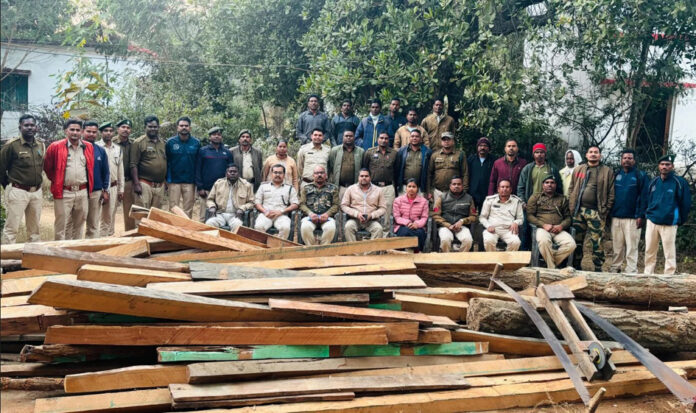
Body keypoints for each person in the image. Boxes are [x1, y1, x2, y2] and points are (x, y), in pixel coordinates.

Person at [43, 118, 94, 240]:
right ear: (66, 131)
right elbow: (48, 168)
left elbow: (90, 168)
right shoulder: (55, 146)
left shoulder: (88, 147)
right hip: (64, 192)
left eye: (77, 130)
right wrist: (58, 181)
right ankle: (60, 250)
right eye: (72, 129)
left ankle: (76, 250)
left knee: (79, 225)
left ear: (81, 131)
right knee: (61, 225)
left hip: (82, 192)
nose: (75, 132)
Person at [568, 145, 615, 272]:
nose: (593, 154)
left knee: (597, 241)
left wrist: (606, 209)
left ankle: (598, 267)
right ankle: (576, 265)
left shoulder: (607, 171)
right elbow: (571, 188)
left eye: (596, 152)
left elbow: (611, 193)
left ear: (600, 155)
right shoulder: (579, 169)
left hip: (597, 212)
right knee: (577, 240)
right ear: (586, 155)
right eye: (591, 152)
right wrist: (572, 205)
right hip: (579, 211)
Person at [0, 114, 45, 244]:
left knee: (34, 231)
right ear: (20, 127)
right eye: (26, 125)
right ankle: (7, 256)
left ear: (36, 128)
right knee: (11, 229)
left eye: (32, 125)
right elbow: (1, 169)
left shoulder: (40, 145)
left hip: (36, 192)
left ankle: (33, 255)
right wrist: (9, 186)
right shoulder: (12, 146)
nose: (29, 128)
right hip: (18, 191)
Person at [644, 154, 692, 274]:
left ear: (672, 166)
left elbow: (685, 203)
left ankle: (669, 277)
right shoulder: (654, 182)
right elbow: (648, 200)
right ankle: (647, 275)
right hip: (652, 221)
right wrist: (648, 214)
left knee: (669, 253)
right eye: (662, 164)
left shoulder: (679, 182)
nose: (664, 167)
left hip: (669, 222)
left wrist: (680, 219)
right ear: (658, 166)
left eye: (667, 164)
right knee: (649, 251)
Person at [609, 149, 649, 273]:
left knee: (632, 247)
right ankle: (615, 268)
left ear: (634, 161)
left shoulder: (640, 175)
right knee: (617, 246)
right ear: (621, 160)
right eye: (625, 158)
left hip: (633, 218)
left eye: (630, 158)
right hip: (616, 216)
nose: (627, 160)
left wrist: (641, 215)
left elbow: (645, 197)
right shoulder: (616, 175)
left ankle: (631, 271)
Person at [517, 143, 562, 250]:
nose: (539, 154)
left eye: (542, 152)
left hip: (547, 205)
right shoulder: (528, 168)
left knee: (543, 230)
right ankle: (525, 253)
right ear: (533, 154)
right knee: (526, 229)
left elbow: (559, 187)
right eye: (537, 152)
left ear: (545, 154)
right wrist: (523, 201)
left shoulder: (552, 168)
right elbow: (520, 187)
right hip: (530, 204)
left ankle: (541, 253)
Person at [527, 175, 576, 269]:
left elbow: (568, 218)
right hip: (542, 229)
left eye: (552, 183)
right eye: (547, 182)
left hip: (558, 229)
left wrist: (561, 226)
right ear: (543, 185)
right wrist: (543, 225)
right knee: (544, 241)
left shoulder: (562, 198)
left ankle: (549, 264)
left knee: (571, 244)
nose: (549, 185)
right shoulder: (535, 197)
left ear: (556, 185)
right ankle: (552, 268)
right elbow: (529, 215)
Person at [195, 127, 234, 221]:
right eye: (214, 135)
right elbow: (197, 169)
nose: (217, 136)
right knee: (204, 215)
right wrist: (200, 187)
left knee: (220, 214)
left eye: (219, 135)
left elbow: (231, 170)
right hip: (206, 190)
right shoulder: (203, 151)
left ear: (221, 137)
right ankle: (202, 230)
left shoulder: (227, 152)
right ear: (210, 137)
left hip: (222, 189)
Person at [130, 115, 167, 215]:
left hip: (160, 186)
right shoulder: (138, 142)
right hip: (144, 184)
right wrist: (136, 184)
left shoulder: (163, 143)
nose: (153, 129)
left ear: (158, 127)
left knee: (156, 216)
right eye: (150, 126)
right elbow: (133, 164)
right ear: (145, 127)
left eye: (155, 127)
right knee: (141, 214)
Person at [166, 116, 200, 218]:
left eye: (186, 125)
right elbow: (166, 161)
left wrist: (197, 181)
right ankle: (172, 228)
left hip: (190, 181)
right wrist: (167, 180)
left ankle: (186, 228)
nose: (184, 127)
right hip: (174, 181)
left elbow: (198, 162)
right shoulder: (170, 142)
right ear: (177, 127)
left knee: (188, 209)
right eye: (181, 125)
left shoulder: (196, 143)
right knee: (173, 208)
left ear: (190, 128)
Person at [432, 176, 477, 252]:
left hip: (461, 226)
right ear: (450, 186)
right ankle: (447, 258)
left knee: (468, 240)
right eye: (454, 184)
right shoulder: (442, 197)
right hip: (445, 226)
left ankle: (460, 258)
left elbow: (473, 216)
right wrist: (448, 225)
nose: (456, 186)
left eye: (459, 184)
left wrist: (462, 221)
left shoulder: (468, 198)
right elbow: (435, 215)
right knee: (445, 240)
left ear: (462, 186)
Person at [254, 164, 299, 239]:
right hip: (266, 214)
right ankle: (263, 245)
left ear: (284, 174)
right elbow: (257, 202)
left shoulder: (290, 188)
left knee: (285, 227)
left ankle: (279, 245)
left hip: (281, 215)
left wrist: (281, 211)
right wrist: (265, 211)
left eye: (280, 173)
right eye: (275, 172)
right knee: (259, 226)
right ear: (271, 174)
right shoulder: (263, 186)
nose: (277, 175)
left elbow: (295, 204)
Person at [205, 164, 254, 231]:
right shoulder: (218, 184)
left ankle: (232, 238)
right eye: (230, 171)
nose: (232, 173)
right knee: (210, 223)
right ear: (226, 173)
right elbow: (210, 200)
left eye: (235, 172)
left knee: (238, 225)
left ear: (238, 174)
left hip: (235, 215)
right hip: (220, 214)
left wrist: (242, 208)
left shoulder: (246, 185)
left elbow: (251, 203)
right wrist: (212, 207)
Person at [341, 168, 387, 241]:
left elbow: (383, 208)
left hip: (371, 221)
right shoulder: (351, 189)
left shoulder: (378, 190)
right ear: (358, 177)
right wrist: (357, 214)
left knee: (379, 229)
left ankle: (370, 249)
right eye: (361, 176)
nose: (364, 178)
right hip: (355, 219)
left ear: (370, 178)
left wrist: (371, 215)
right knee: (348, 227)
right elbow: (344, 205)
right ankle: (353, 248)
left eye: (366, 176)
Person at [82, 120, 110, 239]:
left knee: (93, 224)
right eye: (88, 131)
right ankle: (72, 247)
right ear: (83, 131)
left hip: (95, 192)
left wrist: (105, 190)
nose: (91, 134)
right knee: (75, 223)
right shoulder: (77, 148)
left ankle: (91, 246)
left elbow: (106, 172)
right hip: (80, 191)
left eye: (94, 132)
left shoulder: (100, 151)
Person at [96, 122, 124, 236]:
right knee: (100, 217)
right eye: (105, 131)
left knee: (111, 216)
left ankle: (110, 238)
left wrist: (121, 189)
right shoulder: (96, 147)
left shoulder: (117, 149)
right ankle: (101, 240)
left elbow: (120, 170)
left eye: (110, 131)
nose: (108, 133)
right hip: (100, 188)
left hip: (113, 186)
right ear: (101, 133)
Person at [299, 165, 339, 245]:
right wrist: (310, 213)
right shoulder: (306, 188)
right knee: (305, 227)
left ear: (326, 175)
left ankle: (323, 248)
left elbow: (336, 205)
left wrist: (327, 214)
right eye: (317, 173)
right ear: (313, 175)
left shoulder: (333, 188)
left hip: (327, 218)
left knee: (330, 228)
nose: (319, 175)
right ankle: (311, 248)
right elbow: (301, 204)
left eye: (322, 173)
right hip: (310, 217)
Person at [479, 179, 523, 251]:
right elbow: (482, 217)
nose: (504, 189)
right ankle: (492, 258)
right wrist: (488, 226)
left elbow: (520, 218)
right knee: (489, 240)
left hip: (508, 230)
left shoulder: (516, 201)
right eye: (502, 187)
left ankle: (507, 258)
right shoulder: (490, 200)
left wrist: (516, 222)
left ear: (511, 189)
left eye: (507, 187)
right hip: (493, 229)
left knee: (516, 242)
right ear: (498, 189)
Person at [363, 132, 397, 219]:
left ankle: (386, 228)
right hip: (373, 186)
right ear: (377, 139)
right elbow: (365, 169)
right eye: (381, 138)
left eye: (386, 138)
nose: (383, 140)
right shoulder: (370, 152)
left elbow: (397, 170)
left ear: (388, 140)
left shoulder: (394, 153)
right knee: (372, 211)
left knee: (387, 213)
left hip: (388, 187)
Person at [427, 132, 468, 201]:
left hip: (455, 192)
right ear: (441, 142)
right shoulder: (435, 155)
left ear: (453, 141)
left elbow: (465, 173)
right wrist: (429, 190)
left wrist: (464, 190)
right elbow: (429, 174)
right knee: (437, 208)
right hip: (438, 191)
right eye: (444, 140)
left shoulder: (460, 154)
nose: (446, 141)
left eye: (448, 139)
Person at [392, 178, 429, 252]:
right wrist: (408, 223)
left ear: (417, 189)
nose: (411, 189)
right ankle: (400, 254)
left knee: (419, 234)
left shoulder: (424, 201)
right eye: (409, 186)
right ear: (406, 188)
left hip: (417, 227)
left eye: (414, 187)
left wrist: (416, 224)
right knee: (405, 232)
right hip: (402, 226)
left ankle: (417, 254)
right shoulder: (398, 200)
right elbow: (397, 217)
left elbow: (424, 217)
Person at [327, 129, 364, 201]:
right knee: (339, 206)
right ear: (343, 137)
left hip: (355, 187)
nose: (348, 138)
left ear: (354, 137)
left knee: (354, 206)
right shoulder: (335, 150)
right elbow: (331, 167)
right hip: (340, 187)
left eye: (351, 136)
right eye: (346, 136)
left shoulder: (361, 151)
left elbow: (363, 168)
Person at [395, 129, 432, 195]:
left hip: (420, 187)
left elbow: (430, 171)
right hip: (404, 187)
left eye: (417, 136)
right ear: (409, 138)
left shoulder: (427, 151)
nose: (414, 138)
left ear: (421, 139)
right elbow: (397, 168)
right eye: (412, 136)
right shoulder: (402, 151)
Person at [115, 119, 135, 230]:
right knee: (109, 210)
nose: (125, 130)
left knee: (129, 210)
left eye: (128, 128)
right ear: (118, 129)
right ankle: (108, 234)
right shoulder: (111, 143)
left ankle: (129, 233)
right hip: (113, 182)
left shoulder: (134, 143)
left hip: (128, 182)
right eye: (123, 127)